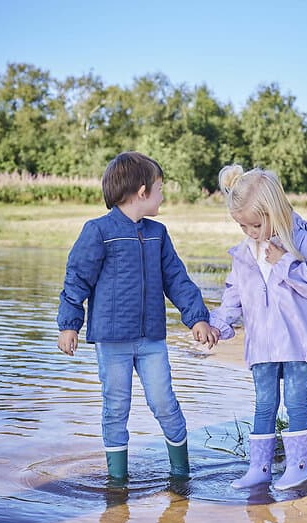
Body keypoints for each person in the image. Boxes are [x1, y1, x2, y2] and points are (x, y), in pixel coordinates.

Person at [57, 151, 217, 482]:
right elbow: (77, 279)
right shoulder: (98, 231)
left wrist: (197, 318)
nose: (163, 195)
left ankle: (181, 474)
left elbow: (177, 279)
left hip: (151, 341)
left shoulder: (158, 234)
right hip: (111, 342)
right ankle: (117, 483)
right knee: (116, 409)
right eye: (160, 188)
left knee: (164, 403)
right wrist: (69, 325)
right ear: (142, 191)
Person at [209, 165, 307, 490]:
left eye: (255, 223)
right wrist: (219, 325)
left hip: (295, 340)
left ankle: (299, 465)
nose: (250, 231)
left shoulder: (300, 240)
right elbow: (234, 293)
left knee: (295, 399)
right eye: (242, 225)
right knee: (264, 403)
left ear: (274, 211)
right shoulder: (243, 253)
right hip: (262, 345)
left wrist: (285, 262)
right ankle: (259, 468)